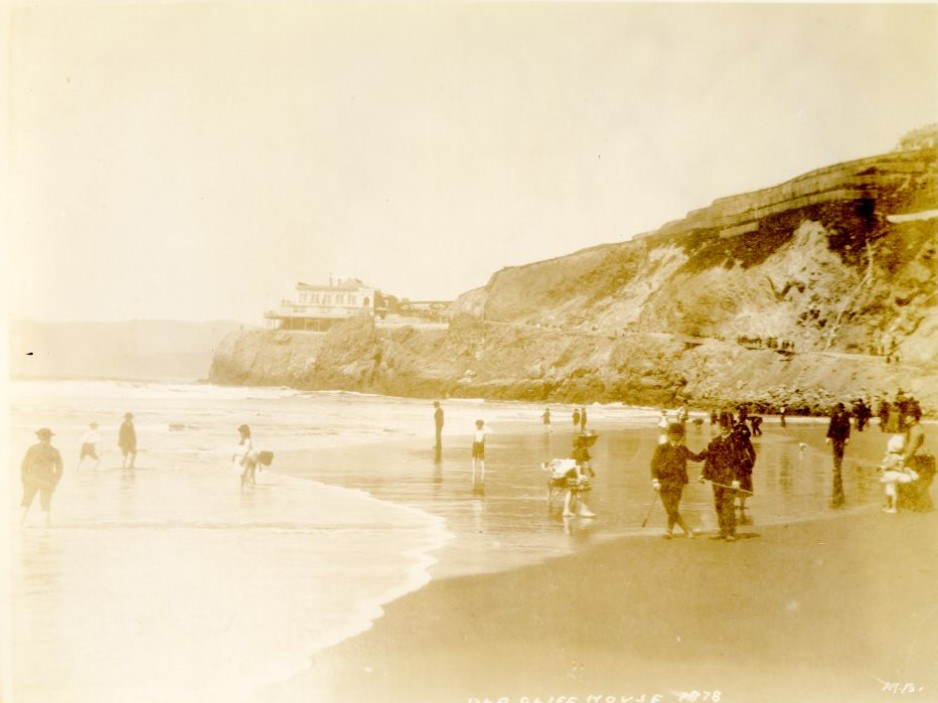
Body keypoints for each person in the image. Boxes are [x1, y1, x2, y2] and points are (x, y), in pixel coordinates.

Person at [650, 423, 705, 539]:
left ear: (681, 436)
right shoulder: (661, 448)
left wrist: (707, 450)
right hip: (663, 481)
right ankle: (686, 529)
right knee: (669, 507)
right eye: (673, 434)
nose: (676, 436)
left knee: (673, 507)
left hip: (678, 482)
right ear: (669, 435)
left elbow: (697, 458)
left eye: (678, 434)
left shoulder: (683, 449)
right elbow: (653, 464)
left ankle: (669, 531)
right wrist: (655, 480)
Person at [699, 415, 746, 541]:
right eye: (722, 426)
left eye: (727, 426)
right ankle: (722, 530)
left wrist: (737, 480)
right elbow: (709, 460)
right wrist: (703, 474)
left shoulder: (736, 443)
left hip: (731, 478)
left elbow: (740, 463)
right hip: (717, 478)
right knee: (718, 504)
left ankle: (730, 532)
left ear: (730, 427)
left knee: (728, 505)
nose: (724, 428)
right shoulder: (714, 442)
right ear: (719, 427)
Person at [21, 428, 64, 526]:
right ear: (50, 438)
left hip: (31, 478)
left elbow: (24, 466)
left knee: (26, 501)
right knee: (45, 503)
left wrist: (24, 480)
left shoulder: (32, 449)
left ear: (39, 437)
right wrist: (54, 482)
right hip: (47, 479)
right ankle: (45, 525)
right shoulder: (55, 451)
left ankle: (20, 523)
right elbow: (59, 469)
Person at [898, 404, 934, 512]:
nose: (905, 418)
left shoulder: (916, 430)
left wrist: (902, 461)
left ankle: (921, 508)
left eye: (907, 416)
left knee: (916, 483)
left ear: (913, 417)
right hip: (920, 458)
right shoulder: (915, 427)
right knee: (917, 484)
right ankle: (920, 507)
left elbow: (911, 448)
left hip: (920, 459)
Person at [878, 435, 916, 514]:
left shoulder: (894, 456)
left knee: (891, 492)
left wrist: (882, 467)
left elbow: (890, 465)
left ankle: (893, 507)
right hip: (895, 474)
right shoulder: (900, 455)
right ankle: (889, 506)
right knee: (891, 491)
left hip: (892, 475)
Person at [825, 402, 851, 508]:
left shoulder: (845, 417)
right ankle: (837, 466)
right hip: (835, 437)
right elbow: (831, 427)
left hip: (842, 437)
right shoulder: (834, 417)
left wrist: (848, 438)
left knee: (841, 452)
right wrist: (827, 437)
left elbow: (848, 428)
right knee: (835, 452)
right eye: (836, 409)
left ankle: (838, 464)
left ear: (842, 409)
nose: (837, 410)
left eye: (838, 409)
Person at [732, 416, 757, 521]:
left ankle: (737, 505)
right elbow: (753, 454)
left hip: (742, 465)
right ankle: (739, 505)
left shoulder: (741, 440)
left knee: (736, 483)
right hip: (740, 464)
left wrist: (750, 464)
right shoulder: (743, 440)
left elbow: (753, 454)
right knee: (738, 484)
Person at [471, 419, 489, 485]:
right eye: (477, 425)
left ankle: (483, 470)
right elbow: (474, 438)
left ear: (481, 425)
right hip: (476, 443)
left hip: (480, 444)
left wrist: (482, 441)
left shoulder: (484, 431)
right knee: (474, 458)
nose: (478, 426)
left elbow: (484, 438)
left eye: (479, 425)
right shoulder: (475, 430)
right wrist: (476, 442)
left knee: (481, 458)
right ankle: (474, 469)